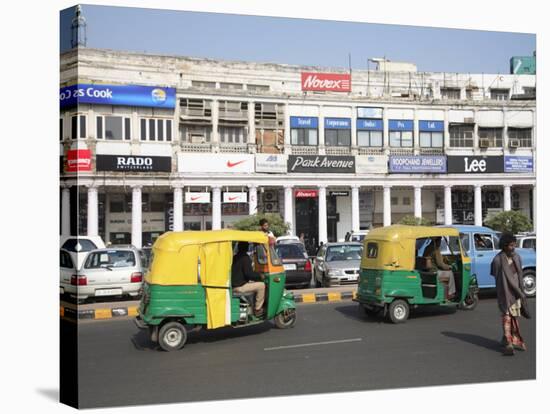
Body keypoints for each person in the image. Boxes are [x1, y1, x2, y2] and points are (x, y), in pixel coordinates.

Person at [490, 232, 529, 356]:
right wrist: (506, 284)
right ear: (504, 246)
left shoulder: (517, 257)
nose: (513, 248)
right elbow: (496, 275)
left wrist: (519, 290)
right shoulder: (497, 260)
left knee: (514, 317)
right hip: (505, 293)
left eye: (514, 245)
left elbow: (519, 275)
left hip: (516, 293)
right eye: (511, 245)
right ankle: (509, 344)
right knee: (507, 317)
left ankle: (505, 337)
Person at [231, 241, 266, 317]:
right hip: (239, 287)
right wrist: (260, 276)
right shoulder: (245, 258)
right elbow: (249, 274)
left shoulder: (235, 257)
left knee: (253, 284)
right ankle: (257, 309)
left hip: (234, 285)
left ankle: (252, 306)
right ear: (246, 248)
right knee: (262, 285)